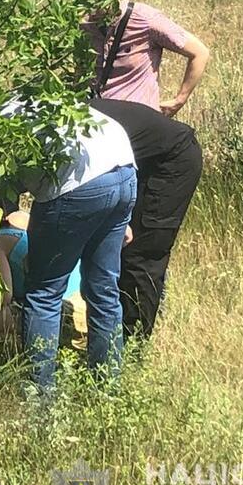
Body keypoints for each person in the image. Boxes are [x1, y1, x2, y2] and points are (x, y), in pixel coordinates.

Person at [0, 102, 136, 392]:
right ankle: (107, 390)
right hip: (124, 167)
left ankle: (39, 399)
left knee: (44, 294)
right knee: (103, 291)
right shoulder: (31, 100)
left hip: (76, 183)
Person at [88, 97, 203, 339]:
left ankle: (135, 342)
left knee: (141, 255)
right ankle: (115, 335)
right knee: (118, 250)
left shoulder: (64, 126)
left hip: (172, 161)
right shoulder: (52, 114)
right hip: (139, 162)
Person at [84, 0, 210, 117]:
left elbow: (200, 52)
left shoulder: (146, 19)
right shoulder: (84, 23)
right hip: (98, 119)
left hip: (140, 120)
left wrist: (179, 100)